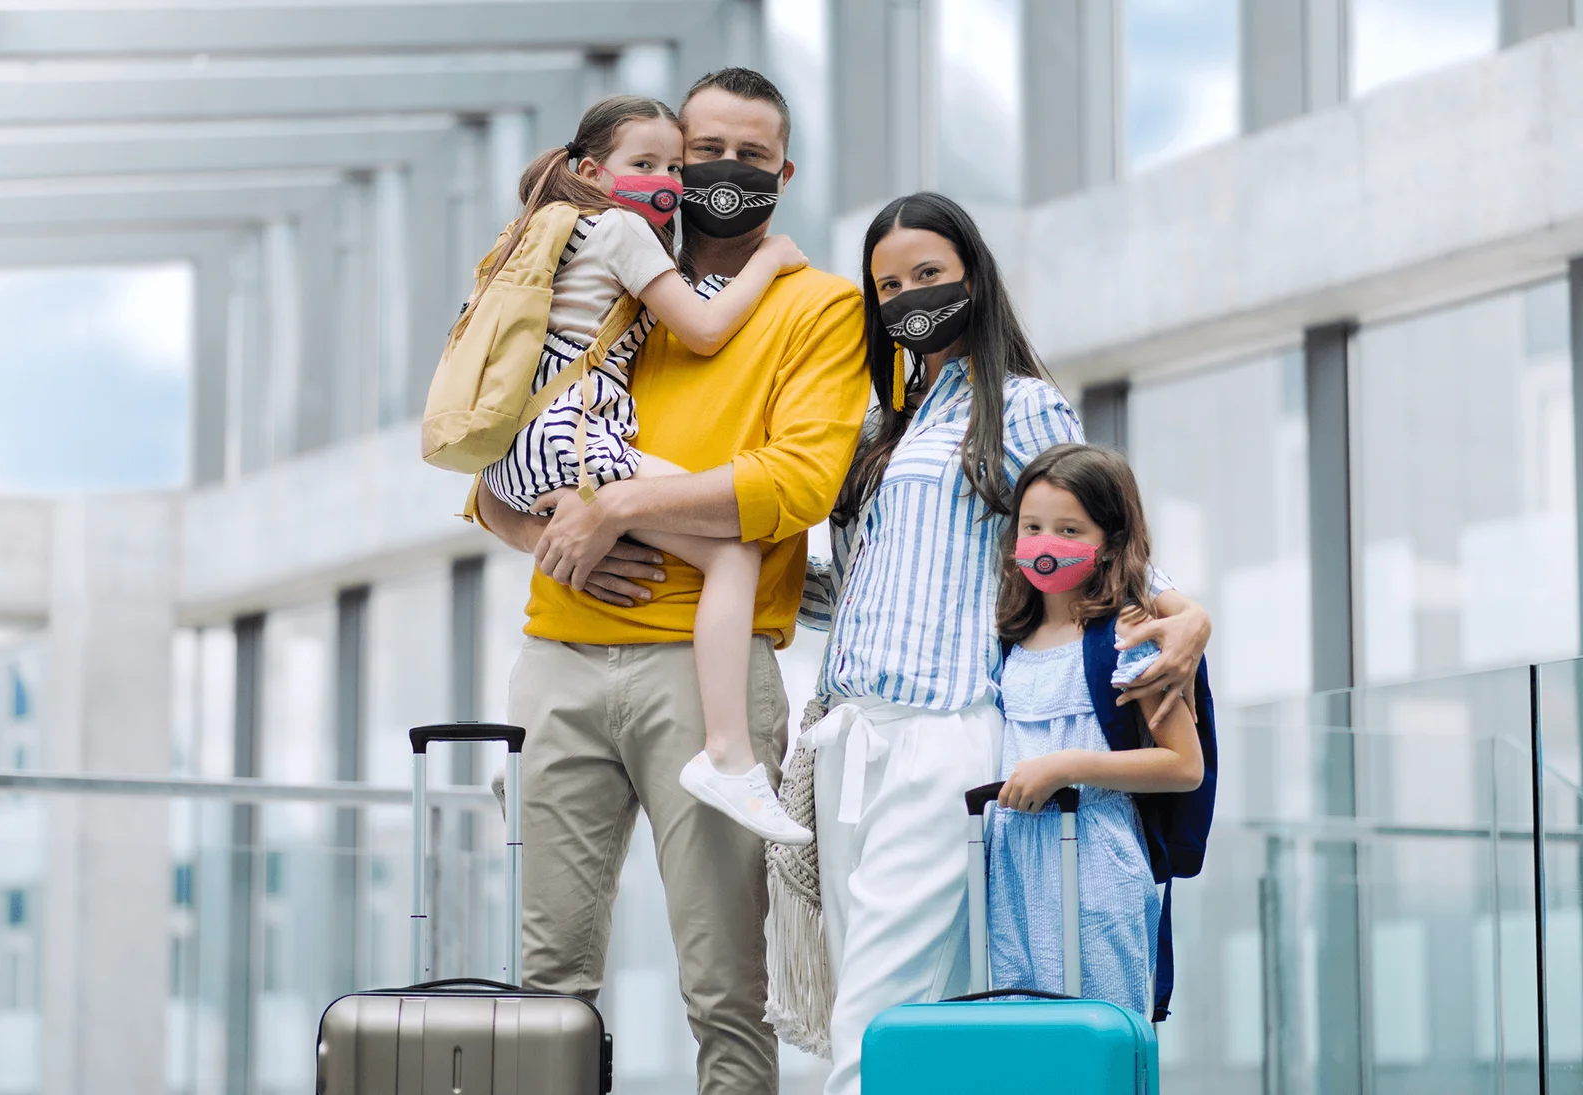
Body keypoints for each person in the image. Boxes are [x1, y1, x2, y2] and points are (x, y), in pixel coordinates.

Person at [472, 68, 869, 1095]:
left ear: (783, 171)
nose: (725, 174)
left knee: (726, 987)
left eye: (751, 157)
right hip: (555, 658)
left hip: (710, 673)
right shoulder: (600, 276)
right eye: (706, 153)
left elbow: (794, 484)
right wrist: (542, 528)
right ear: (664, 160)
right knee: (546, 980)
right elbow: (497, 457)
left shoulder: (817, 307)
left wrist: (617, 510)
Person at [796, 192, 1210, 1095]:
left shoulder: (1019, 406)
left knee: (872, 1016)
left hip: (945, 726)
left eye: (929, 275)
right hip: (850, 736)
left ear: (974, 277)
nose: (910, 296)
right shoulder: (882, 425)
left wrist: (1189, 615)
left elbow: (1099, 528)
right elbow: (869, 584)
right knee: (915, 1003)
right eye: (889, 284)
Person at [475, 93, 810, 843]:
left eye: (670, 165)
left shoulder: (548, 230)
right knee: (733, 550)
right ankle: (727, 753)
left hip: (519, 453)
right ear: (594, 170)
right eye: (647, 164)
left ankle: (566, 753)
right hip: (575, 441)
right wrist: (774, 259)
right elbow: (705, 327)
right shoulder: (623, 229)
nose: (667, 181)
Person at [989, 443, 1205, 1016]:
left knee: (1099, 1038)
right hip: (1014, 866)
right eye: (1031, 527)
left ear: (1108, 539)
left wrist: (1063, 767)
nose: (1045, 543)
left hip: (1098, 862)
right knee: (1026, 1048)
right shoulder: (1009, 640)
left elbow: (1184, 764)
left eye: (1069, 529)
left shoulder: (1127, 637)